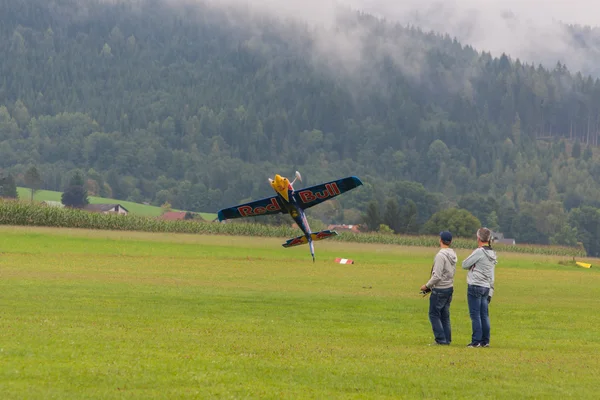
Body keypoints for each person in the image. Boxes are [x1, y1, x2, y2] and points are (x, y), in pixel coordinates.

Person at [462, 227, 497, 348]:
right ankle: (485, 341)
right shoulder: (492, 253)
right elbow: (492, 274)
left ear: (478, 238)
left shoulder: (479, 252)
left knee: (475, 315)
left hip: (475, 285)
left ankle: (476, 341)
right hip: (486, 287)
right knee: (484, 315)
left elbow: (464, 264)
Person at [420, 231, 457, 345]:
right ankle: (447, 339)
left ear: (440, 240)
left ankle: (441, 340)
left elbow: (437, 276)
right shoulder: (453, 254)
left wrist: (427, 286)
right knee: (445, 315)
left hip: (440, 289)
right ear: (450, 242)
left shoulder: (441, 256)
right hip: (449, 287)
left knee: (434, 314)